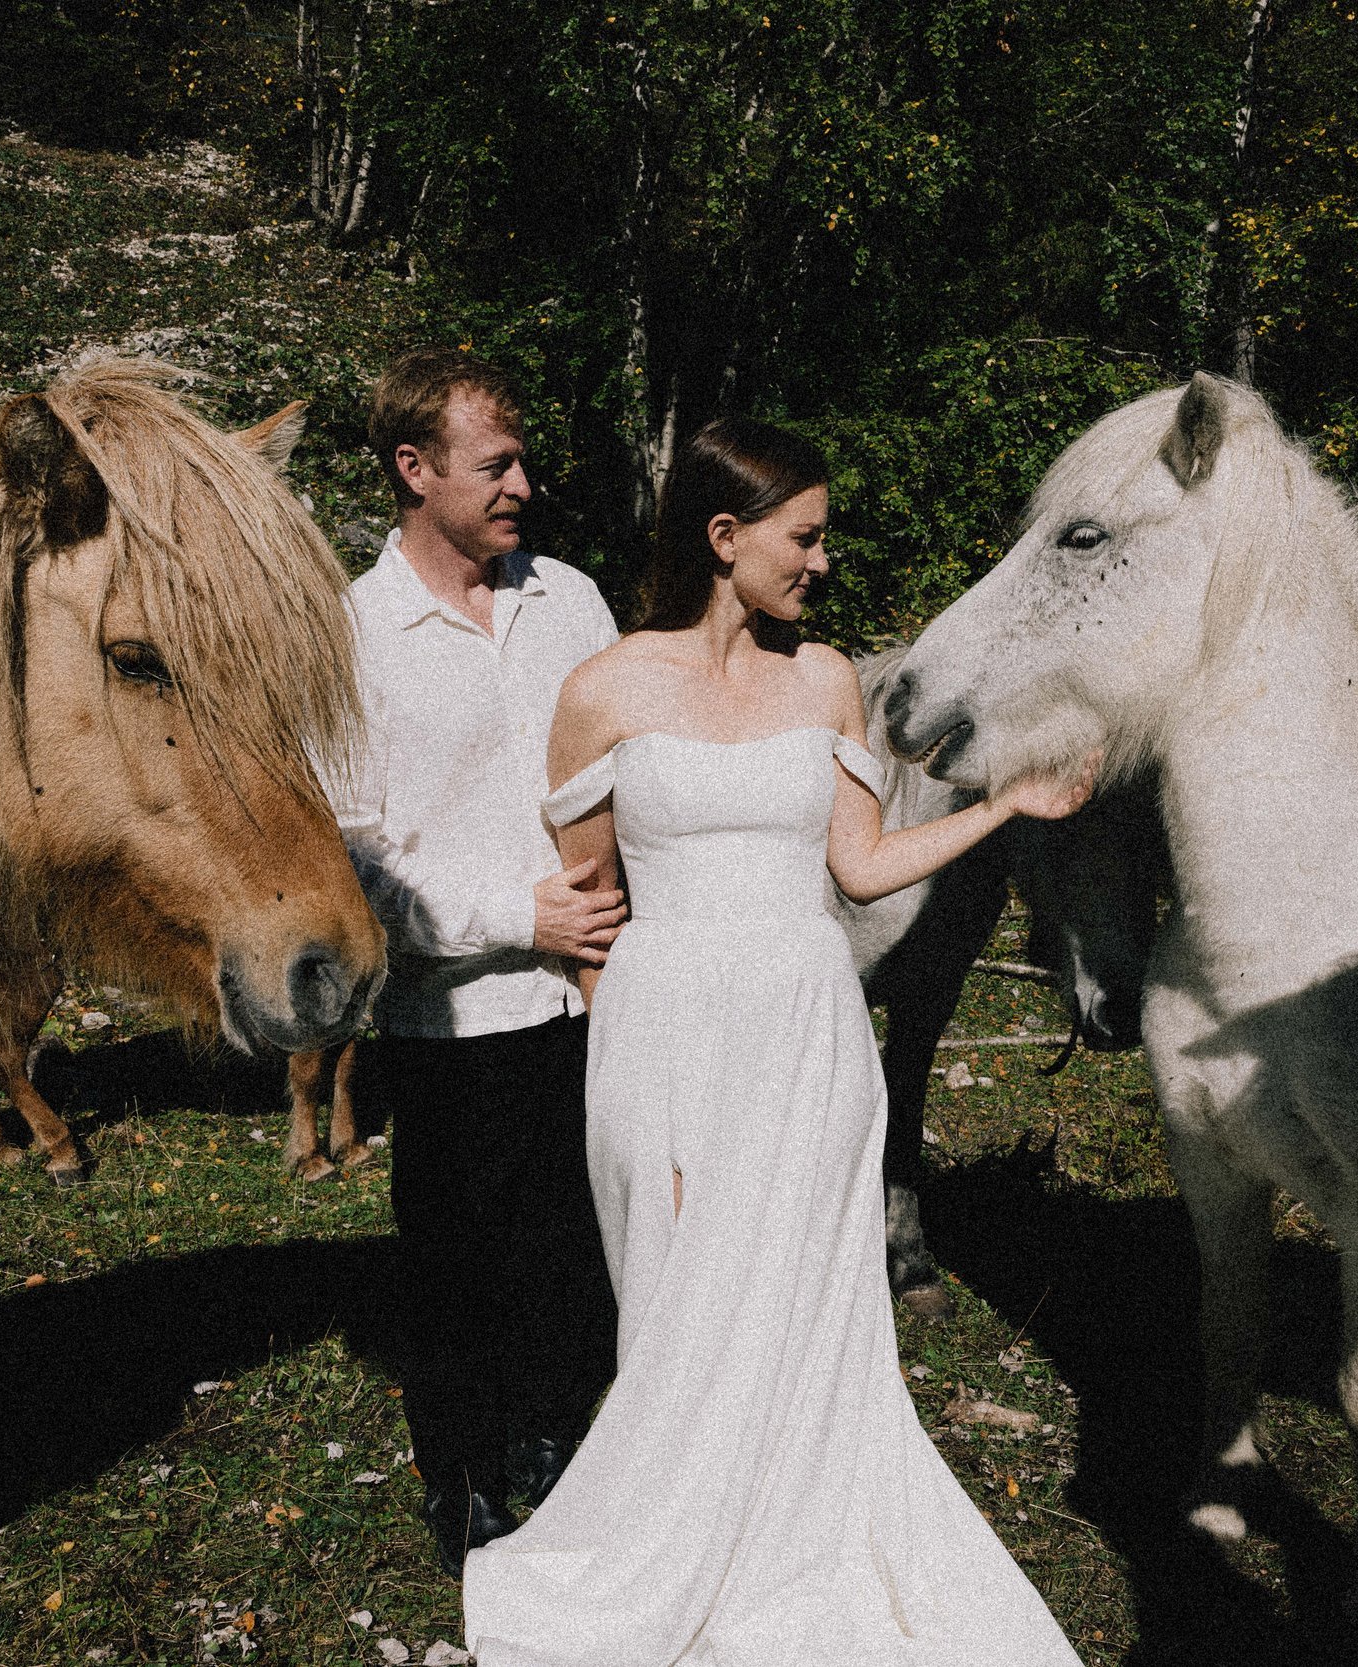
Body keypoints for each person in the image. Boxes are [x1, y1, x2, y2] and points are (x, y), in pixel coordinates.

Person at [461, 417, 1093, 1664]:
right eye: (802, 537)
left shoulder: (828, 680)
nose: (820, 561)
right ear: (723, 535)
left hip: (810, 1039)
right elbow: (589, 909)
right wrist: (624, 1078)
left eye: (822, 538)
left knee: (801, 1306)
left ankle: (800, 1540)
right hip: (666, 1037)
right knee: (688, 1306)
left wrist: (1006, 806)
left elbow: (857, 869)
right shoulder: (605, 688)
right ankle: (666, 1554)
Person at [335, 347, 624, 1578]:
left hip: (601, 993)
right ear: (415, 469)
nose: (523, 484)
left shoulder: (574, 601)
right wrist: (525, 917)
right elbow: (355, 860)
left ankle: (570, 1451)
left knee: (583, 1244)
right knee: (456, 1259)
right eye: (494, 462)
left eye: (522, 459)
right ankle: (463, 1477)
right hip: (454, 1018)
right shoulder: (352, 633)